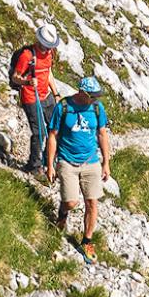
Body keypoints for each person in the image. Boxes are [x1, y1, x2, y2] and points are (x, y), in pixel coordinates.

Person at [45, 75, 111, 260]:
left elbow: (102, 134)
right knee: (72, 202)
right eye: (92, 95)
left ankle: (87, 242)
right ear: (82, 92)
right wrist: (50, 165)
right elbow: (53, 136)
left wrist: (106, 162)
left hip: (91, 162)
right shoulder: (64, 107)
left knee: (92, 202)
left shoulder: (97, 108)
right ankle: (63, 211)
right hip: (67, 161)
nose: (95, 99)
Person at [10, 23, 62, 172]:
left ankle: (49, 160)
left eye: (50, 46)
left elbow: (48, 72)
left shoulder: (50, 53)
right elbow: (15, 77)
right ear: (39, 41)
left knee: (56, 128)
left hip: (47, 96)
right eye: (46, 46)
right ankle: (34, 166)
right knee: (39, 132)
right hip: (31, 98)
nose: (48, 49)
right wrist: (26, 81)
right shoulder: (27, 55)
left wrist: (56, 93)